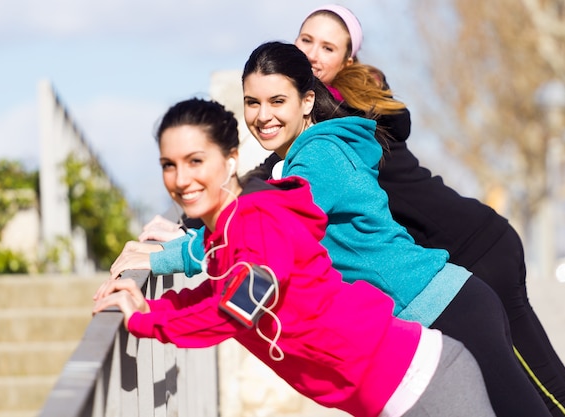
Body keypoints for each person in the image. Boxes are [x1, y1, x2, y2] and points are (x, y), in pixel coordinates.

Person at [93, 97, 497, 417]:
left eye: (195, 161)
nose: (181, 180)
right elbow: (214, 295)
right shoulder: (224, 235)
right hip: (397, 393)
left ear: (229, 159)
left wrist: (147, 321)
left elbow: (238, 310)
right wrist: (149, 305)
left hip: (424, 383)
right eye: (169, 165)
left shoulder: (258, 221)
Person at [290, 5, 565, 417]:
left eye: (327, 47)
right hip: (457, 255)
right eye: (306, 40)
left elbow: (285, 183)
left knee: (542, 385)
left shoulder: (344, 114)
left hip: (475, 248)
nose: (312, 54)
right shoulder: (324, 113)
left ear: (347, 59)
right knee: (523, 383)